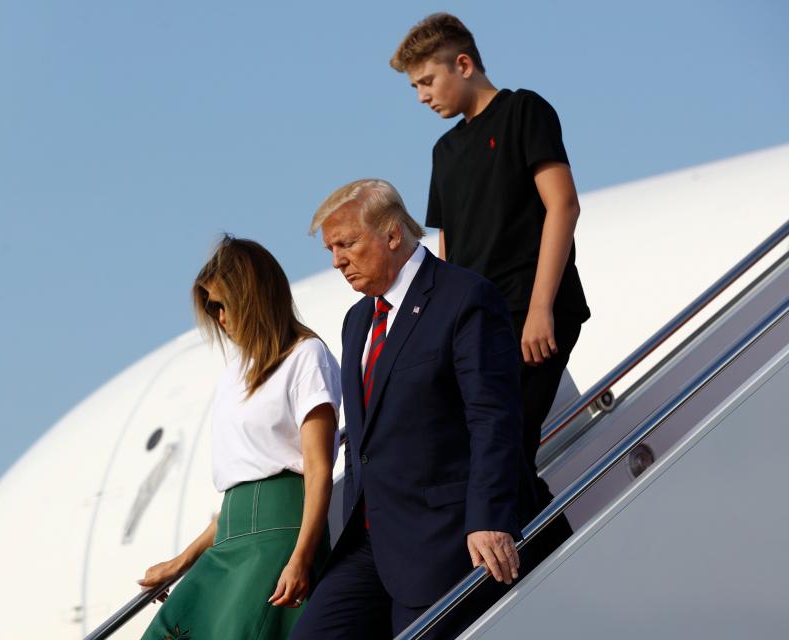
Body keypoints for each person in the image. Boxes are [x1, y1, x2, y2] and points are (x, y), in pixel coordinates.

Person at [291, 180, 536, 639]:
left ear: (391, 234)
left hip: (442, 539)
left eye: (346, 244)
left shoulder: (464, 297)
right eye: (331, 249)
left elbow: (493, 418)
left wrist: (488, 518)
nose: (336, 261)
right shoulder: (358, 319)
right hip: (370, 540)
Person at [389, 13, 591, 546]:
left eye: (426, 81)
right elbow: (448, 251)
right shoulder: (444, 151)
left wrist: (542, 307)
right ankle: (550, 554)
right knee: (492, 448)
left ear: (464, 63)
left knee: (506, 443)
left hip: (532, 311)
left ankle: (557, 554)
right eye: (414, 88)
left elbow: (562, 206)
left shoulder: (525, 110)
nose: (421, 97)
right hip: (479, 325)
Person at [137, 236, 341, 640]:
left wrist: (301, 558)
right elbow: (242, 484)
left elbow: (317, 470)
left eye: (222, 304)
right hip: (229, 540)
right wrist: (183, 560)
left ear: (252, 298)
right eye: (210, 307)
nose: (219, 317)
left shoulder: (306, 356)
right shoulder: (235, 373)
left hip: (280, 542)